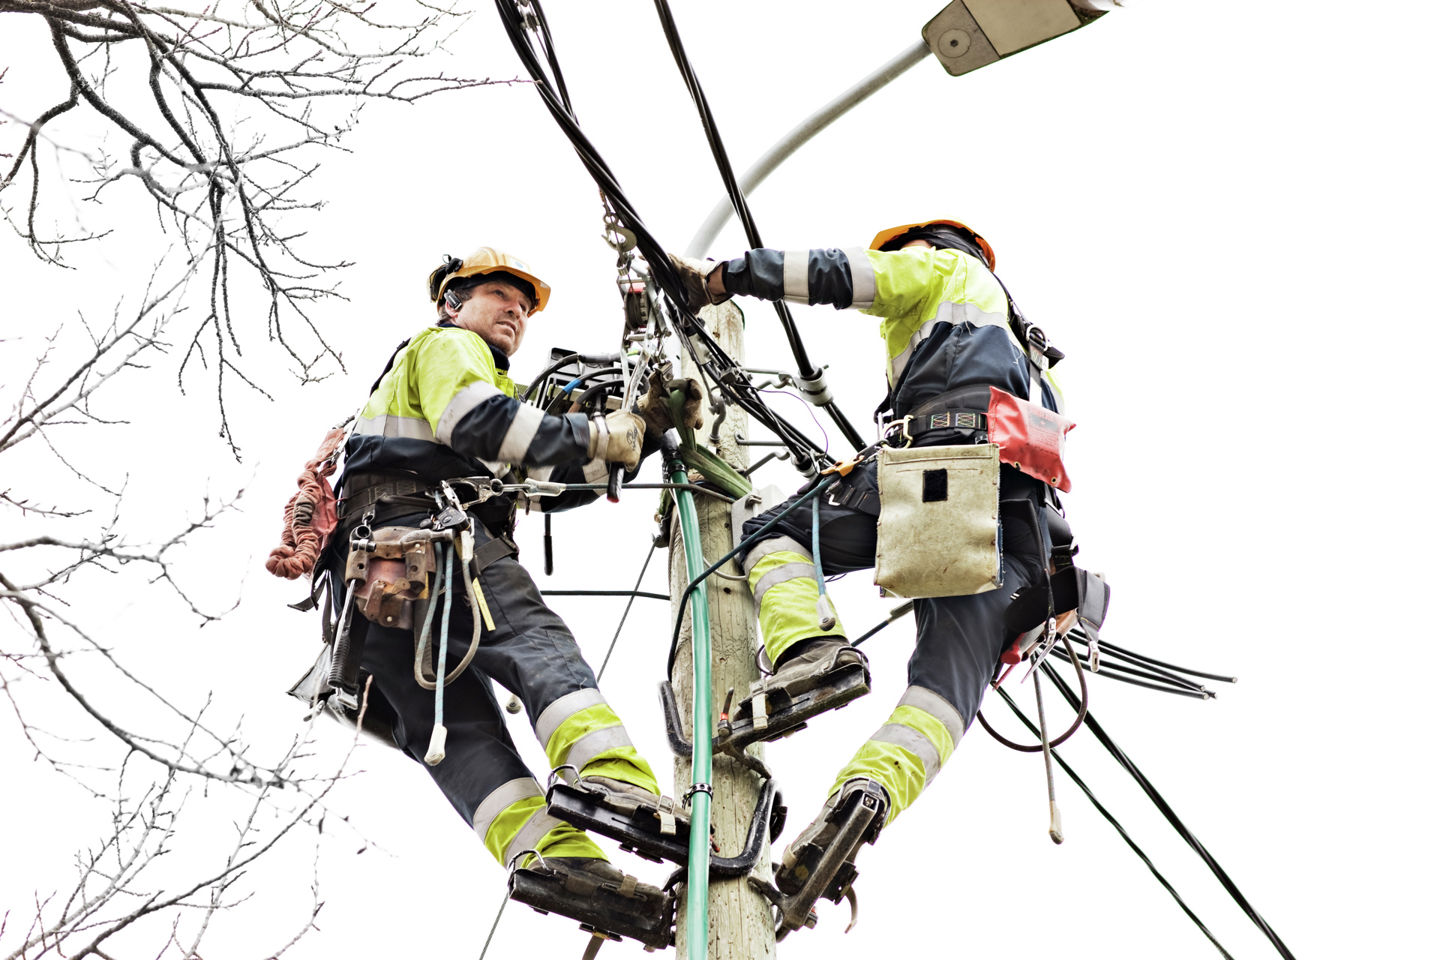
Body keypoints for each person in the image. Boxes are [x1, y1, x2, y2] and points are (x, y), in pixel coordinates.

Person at [670, 219, 1074, 926]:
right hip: (1026, 542)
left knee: (771, 530)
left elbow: (848, 275)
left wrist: (724, 277)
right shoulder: (1032, 357)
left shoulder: (946, 272)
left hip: (944, 471)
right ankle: (861, 802)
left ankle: (810, 653)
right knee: (942, 698)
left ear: (933, 244)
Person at [320, 247, 680, 946]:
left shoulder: (423, 396)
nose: (515, 309)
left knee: (457, 738)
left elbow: (537, 481)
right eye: (497, 295)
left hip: (368, 598)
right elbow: (481, 424)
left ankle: (558, 862)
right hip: (428, 543)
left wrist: (643, 437)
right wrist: (607, 431)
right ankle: (610, 779)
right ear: (453, 304)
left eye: (524, 304)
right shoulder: (447, 346)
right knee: (536, 646)